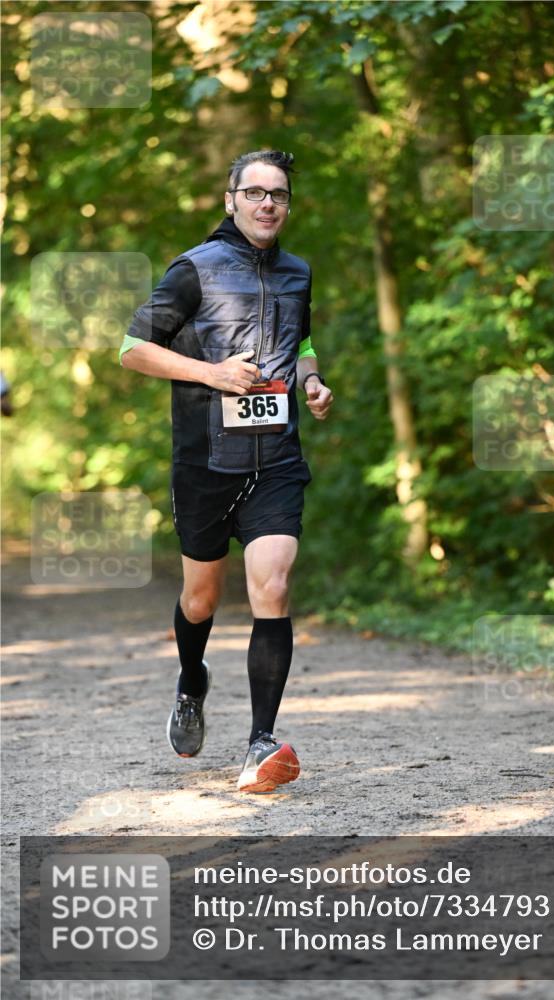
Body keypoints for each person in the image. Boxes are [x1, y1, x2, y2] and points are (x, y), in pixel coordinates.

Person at [120, 150, 333, 793]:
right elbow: (133, 350)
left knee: (272, 585)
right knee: (201, 598)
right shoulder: (194, 270)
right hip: (205, 463)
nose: (269, 204)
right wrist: (211, 374)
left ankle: (260, 744)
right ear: (231, 198)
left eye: (280, 195)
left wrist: (314, 381)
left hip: (276, 460)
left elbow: (301, 342)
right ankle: (191, 682)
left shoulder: (298, 272)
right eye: (256, 192)